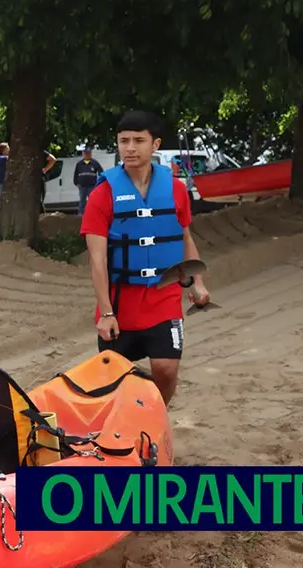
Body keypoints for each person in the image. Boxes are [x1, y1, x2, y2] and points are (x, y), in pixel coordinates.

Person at [80, 110, 210, 407]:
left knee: (165, 369)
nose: (130, 148)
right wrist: (106, 313)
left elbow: (185, 238)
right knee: (115, 380)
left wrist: (197, 283)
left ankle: (156, 417)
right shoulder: (103, 194)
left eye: (139, 140)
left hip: (164, 300)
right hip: (121, 304)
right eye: (124, 141)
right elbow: (97, 260)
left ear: (155, 145)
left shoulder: (176, 190)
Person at [73, 148, 103, 215]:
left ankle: (93, 213)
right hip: (82, 186)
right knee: (82, 200)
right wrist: (76, 183)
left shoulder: (95, 163)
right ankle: (81, 214)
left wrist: (99, 183)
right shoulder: (79, 164)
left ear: (90, 154)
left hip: (92, 186)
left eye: (88, 153)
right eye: (85, 153)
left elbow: (101, 173)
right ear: (83, 154)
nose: (87, 155)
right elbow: (76, 174)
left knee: (92, 200)